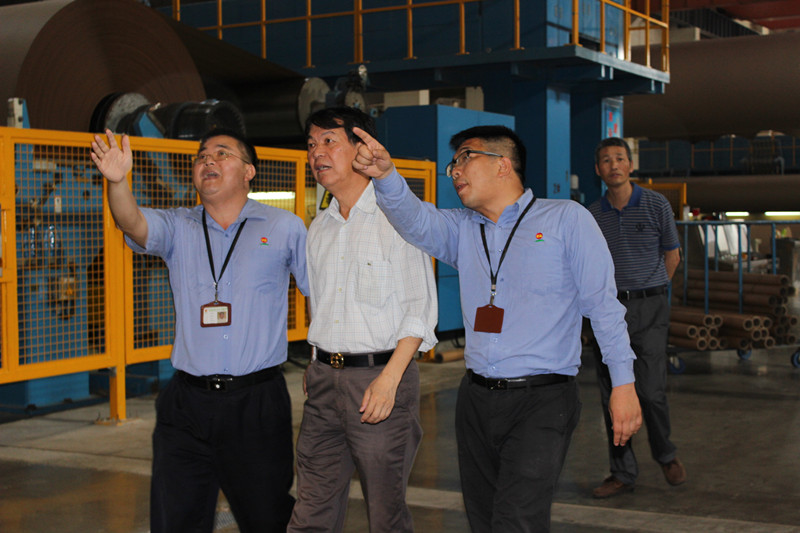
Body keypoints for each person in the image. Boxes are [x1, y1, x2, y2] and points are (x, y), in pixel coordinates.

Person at [352, 124, 642, 532]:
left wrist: (623, 384)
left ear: (503, 165)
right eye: (452, 163)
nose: (454, 171)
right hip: (475, 399)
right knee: (484, 519)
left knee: (515, 520)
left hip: (543, 399)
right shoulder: (463, 228)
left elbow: (604, 306)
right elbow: (414, 221)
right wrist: (386, 176)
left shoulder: (565, 219)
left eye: (465, 158)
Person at [90, 128, 308, 533]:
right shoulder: (178, 226)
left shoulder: (284, 227)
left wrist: (323, 364)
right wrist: (118, 182)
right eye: (202, 155)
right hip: (186, 404)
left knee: (267, 517)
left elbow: (321, 296)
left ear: (249, 172)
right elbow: (132, 222)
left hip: (256, 403)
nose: (208, 160)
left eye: (222, 153)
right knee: (177, 519)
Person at [287, 107, 438, 533]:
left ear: (361, 148)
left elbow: (419, 308)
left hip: (379, 379)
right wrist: (316, 360)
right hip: (323, 383)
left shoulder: (398, 217)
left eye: (329, 141)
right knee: (311, 508)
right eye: (311, 145)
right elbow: (321, 304)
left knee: (385, 514)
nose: (317, 153)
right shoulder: (320, 227)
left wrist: (389, 381)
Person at [588, 137, 685, 499]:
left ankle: (666, 454)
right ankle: (622, 472)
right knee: (612, 393)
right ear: (598, 170)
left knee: (651, 390)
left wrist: (652, 290)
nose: (613, 165)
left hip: (650, 309)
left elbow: (673, 256)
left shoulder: (656, 204)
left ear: (630, 165)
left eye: (619, 158)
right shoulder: (592, 215)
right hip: (608, 312)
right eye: (606, 160)